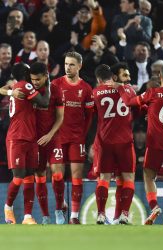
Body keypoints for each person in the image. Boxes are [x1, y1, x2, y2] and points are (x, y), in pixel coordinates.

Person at [110, 63, 163, 225]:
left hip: (155, 143)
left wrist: (121, 88)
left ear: (160, 77)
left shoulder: (152, 93)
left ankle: (154, 206)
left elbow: (129, 102)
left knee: (149, 176)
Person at [0, 62, 50, 224]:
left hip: (30, 137)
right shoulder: (25, 85)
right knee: (18, 176)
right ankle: (8, 207)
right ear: (26, 73)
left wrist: (9, 91)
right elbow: (44, 102)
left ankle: (27, 216)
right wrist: (48, 84)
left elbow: (2, 89)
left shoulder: (17, 86)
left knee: (29, 175)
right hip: (17, 137)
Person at [52, 51, 94, 224]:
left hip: (77, 138)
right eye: (66, 64)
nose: (68, 67)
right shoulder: (55, 84)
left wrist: (84, 138)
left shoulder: (86, 89)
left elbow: (90, 117)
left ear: (79, 66)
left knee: (77, 176)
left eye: (71, 64)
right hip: (57, 138)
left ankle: (74, 217)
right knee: (57, 177)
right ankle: (60, 204)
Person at [93, 64, 136, 225]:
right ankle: (124, 214)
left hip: (105, 142)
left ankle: (101, 214)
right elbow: (136, 108)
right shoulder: (129, 90)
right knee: (128, 178)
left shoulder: (96, 92)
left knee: (104, 178)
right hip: (125, 141)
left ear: (98, 80)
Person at [29, 62, 65, 225]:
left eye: (38, 79)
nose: (35, 82)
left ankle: (59, 210)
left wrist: (50, 135)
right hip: (35, 140)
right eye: (33, 79)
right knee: (40, 176)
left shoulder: (56, 91)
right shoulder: (29, 89)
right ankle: (45, 216)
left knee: (57, 174)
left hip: (53, 138)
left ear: (46, 76)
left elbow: (60, 117)